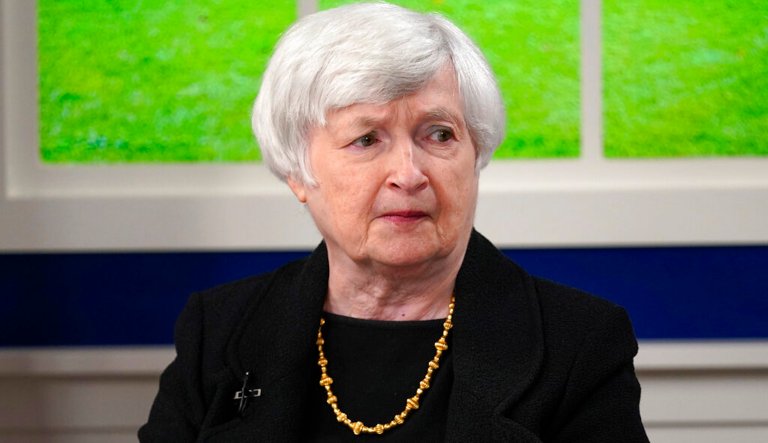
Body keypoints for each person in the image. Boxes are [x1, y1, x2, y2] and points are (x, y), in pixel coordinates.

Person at [139, 3, 648, 441]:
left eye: (439, 135)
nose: (409, 174)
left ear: (476, 155)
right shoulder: (220, 327)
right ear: (298, 172)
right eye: (367, 139)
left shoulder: (579, 342)